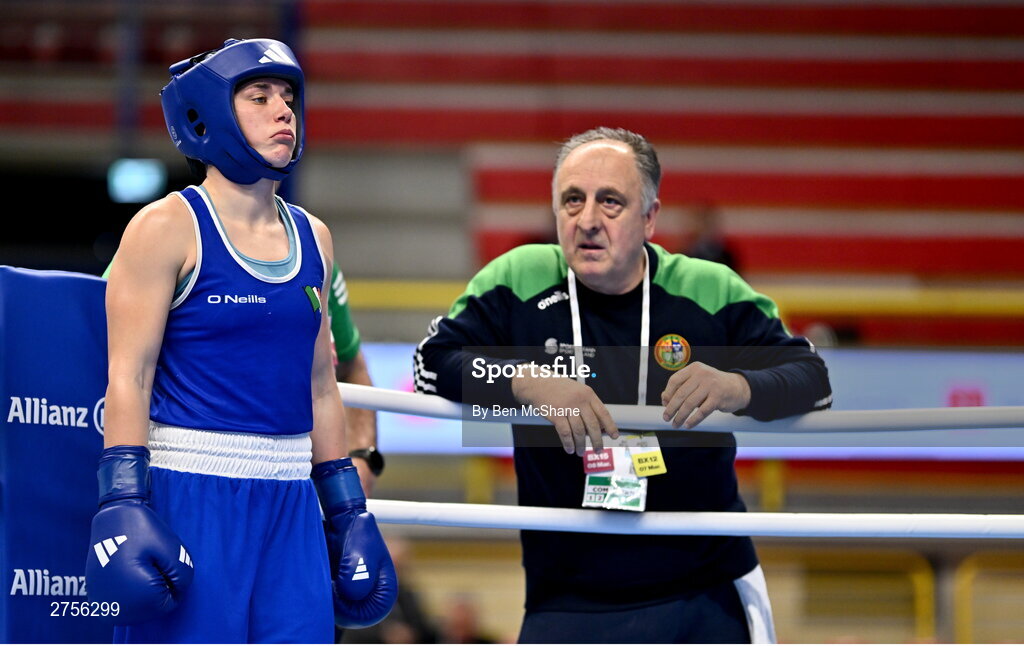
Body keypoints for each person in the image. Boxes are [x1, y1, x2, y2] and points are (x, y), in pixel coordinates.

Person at [414, 127, 832, 644]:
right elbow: (430, 365)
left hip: (703, 587)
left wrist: (735, 388)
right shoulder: (519, 277)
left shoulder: (707, 288)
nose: (587, 220)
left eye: (610, 202)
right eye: (572, 200)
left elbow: (813, 379)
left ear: (649, 218)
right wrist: (524, 381)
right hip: (564, 596)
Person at [87, 38, 396, 643]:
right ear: (209, 115)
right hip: (191, 488)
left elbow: (321, 386)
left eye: (289, 97)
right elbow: (129, 375)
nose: (285, 111)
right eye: (260, 97)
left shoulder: (316, 237)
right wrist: (122, 498)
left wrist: (347, 508)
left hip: (291, 498)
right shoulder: (166, 227)